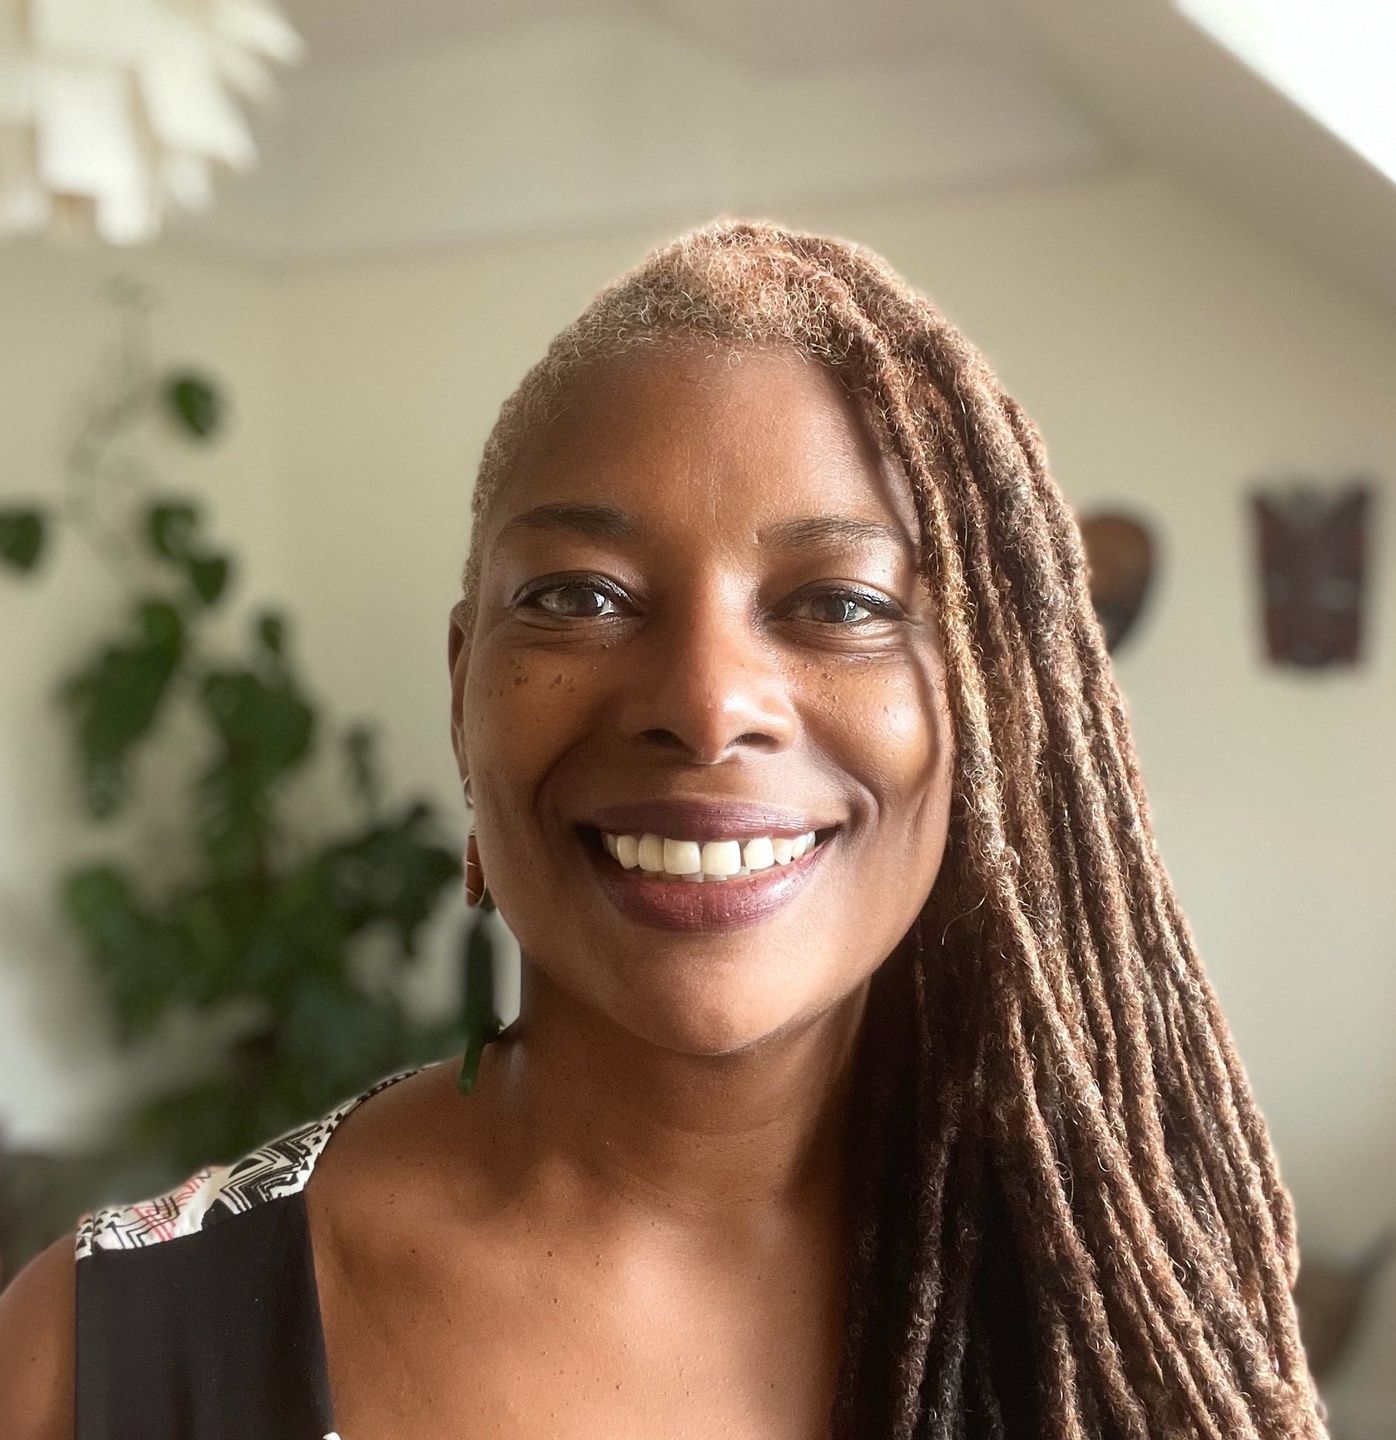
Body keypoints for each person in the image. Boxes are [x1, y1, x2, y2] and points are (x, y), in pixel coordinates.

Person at [0, 222, 1324, 1439]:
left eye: (843, 603)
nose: (704, 704)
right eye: (581, 596)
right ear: (463, 694)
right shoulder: (97, 1359)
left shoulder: (1131, 1327)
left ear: (993, 711)